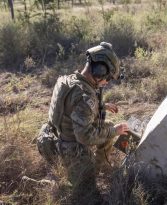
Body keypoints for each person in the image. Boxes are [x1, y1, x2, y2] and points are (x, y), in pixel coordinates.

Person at [40, 42, 130, 204]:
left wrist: (101, 105)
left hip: (51, 137)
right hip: (69, 150)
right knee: (88, 195)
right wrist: (114, 131)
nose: (107, 82)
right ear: (99, 70)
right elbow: (85, 137)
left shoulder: (68, 80)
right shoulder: (84, 96)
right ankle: (71, 180)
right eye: (108, 77)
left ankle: (92, 169)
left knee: (108, 127)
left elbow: (70, 106)